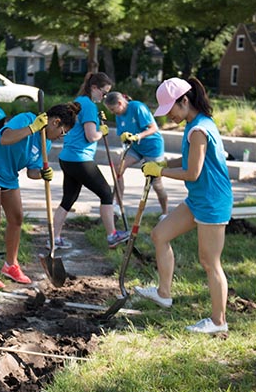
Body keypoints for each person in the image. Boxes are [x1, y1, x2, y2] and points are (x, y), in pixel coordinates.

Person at [134, 77, 233, 334]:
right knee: (160, 234)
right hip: (199, 199)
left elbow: (193, 173)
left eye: (171, 110)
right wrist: (165, 164)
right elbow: (188, 159)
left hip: (212, 201)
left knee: (210, 262)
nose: (169, 117)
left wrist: (161, 173)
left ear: (184, 101)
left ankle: (218, 322)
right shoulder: (196, 124)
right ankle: (164, 293)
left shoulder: (199, 130)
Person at [0, 102, 80, 288]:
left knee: (17, 218)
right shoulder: (26, 119)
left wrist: (42, 174)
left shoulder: (47, 142)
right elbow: (5, 139)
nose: (61, 137)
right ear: (55, 122)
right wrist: (32, 128)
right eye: (63, 132)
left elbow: (32, 172)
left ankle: (11, 265)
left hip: (9, 175)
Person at [51, 72, 130, 249]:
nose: (104, 97)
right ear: (94, 88)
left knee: (68, 199)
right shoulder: (88, 106)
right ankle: (112, 235)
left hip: (67, 158)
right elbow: (91, 135)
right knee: (106, 194)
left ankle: (55, 239)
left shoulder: (78, 101)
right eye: (103, 93)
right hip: (80, 159)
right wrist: (102, 130)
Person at [103, 92, 169, 219]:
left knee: (156, 183)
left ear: (120, 103)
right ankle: (118, 205)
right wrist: (125, 139)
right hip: (136, 147)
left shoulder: (138, 108)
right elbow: (123, 134)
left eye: (112, 109)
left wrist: (138, 136)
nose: (112, 112)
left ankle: (165, 213)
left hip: (152, 147)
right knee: (118, 168)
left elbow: (153, 128)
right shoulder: (119, 114)